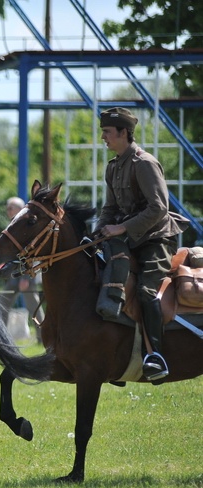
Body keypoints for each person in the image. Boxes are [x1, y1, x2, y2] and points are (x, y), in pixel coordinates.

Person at [94, 107, 189, 381]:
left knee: (147, 292)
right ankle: (115, 356)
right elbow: (109, 209)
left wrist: (121, 227)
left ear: (124, 133)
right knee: (103, 282)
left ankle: (155, 357)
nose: (103, 137)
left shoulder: (144, 163)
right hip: (128, 239)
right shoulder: (113, 167)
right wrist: (96, 233)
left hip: (156, 239)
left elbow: (159, 208)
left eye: (107, 132)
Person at [0, 197, 43, 344]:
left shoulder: (29, 226)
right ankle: (1, 338)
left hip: (26, 276)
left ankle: (42, 338)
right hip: (13, 276)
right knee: (3, 305)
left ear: (20, 209)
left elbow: (34, 254)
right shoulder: (11, 227)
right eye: (7, 208)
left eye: (11, 207)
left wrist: (27, 278)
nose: (8, 210)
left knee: (34, 309)